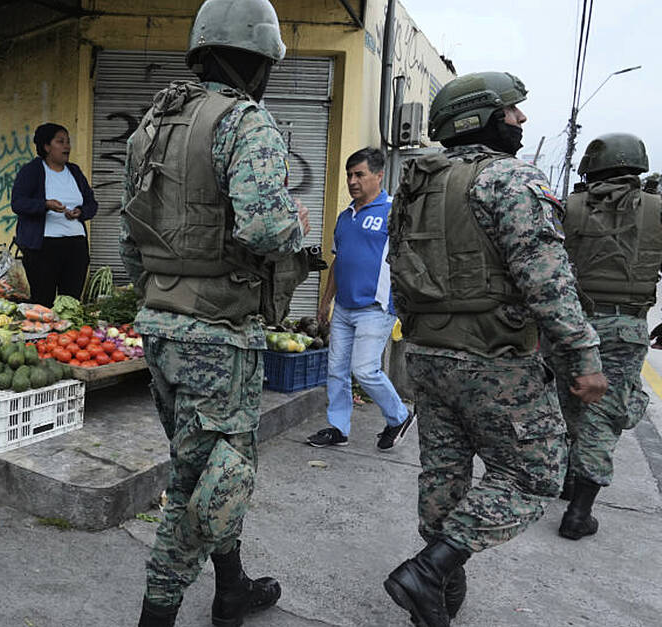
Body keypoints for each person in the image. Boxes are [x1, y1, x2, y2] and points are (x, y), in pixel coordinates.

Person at [384, 71, 608, 627]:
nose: (521, 120)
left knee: (443, 474)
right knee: (536, 473)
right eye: (512, 111)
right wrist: (581, 356)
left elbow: (400, 269)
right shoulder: (508, 180)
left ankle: (433, 601)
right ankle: (431, 571)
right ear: (479, 118)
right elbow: (547, 280)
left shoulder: (414, 186)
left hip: (428, 355)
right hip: (493, 359)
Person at [120, 1, 309, 625]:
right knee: (213, 482)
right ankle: (159, 612)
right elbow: (264, 225)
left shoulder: (154, 123)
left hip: (160, 325)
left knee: (204, 468)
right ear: (256, 61)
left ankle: (231, 587)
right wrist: (295, 225)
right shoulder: (245, 122)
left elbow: (130, 241)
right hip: (219, 335)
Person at [552, 133, 658, 541]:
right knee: (605, 414)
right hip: (626, 328)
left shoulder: (570, 207)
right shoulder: (658, 209)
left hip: (570, 324)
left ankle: (564, 482)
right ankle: (579, 513)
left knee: (568, 404)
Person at [307, 147, 415, 450]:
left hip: (376, 307)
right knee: (336, 370)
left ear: (378, 176)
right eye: (349, 175)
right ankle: (338, 428)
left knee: (365, 369)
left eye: (359, 174)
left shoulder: (394, 212)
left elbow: (411, 259)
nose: (352, 181)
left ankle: (399, 416)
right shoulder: (345, 217)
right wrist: (326, 301)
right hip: (343, 307)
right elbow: (338, 262)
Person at [10, 122, 97, 306]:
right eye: (60, 141)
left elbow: (92, 204)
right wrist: (45, 205)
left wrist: (80, 212)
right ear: (46, 147)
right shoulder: (32, 171)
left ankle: (67, 335)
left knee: (70, 303)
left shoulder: (74, 171)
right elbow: (18, 203)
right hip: (43, 249)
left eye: (68, 142)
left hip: (76, 246)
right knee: (43, 303)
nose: (67, 146)